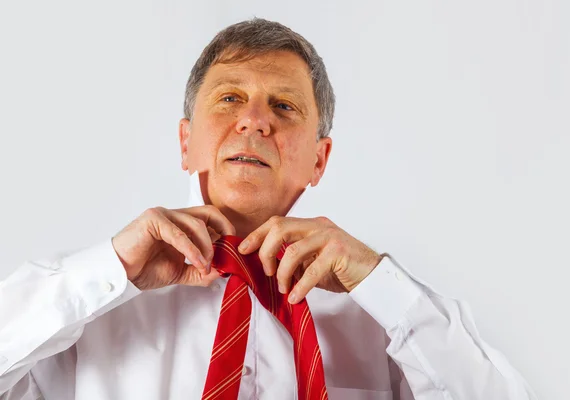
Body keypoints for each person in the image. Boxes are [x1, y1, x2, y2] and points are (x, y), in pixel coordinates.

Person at [0, 18, 537, 400]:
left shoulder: (383, 320)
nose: (255, 121)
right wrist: (109, 270)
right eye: (229, 98)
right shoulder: (89, 311)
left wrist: (380, 283)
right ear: (185, 142)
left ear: (319, 160)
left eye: (284, 106)